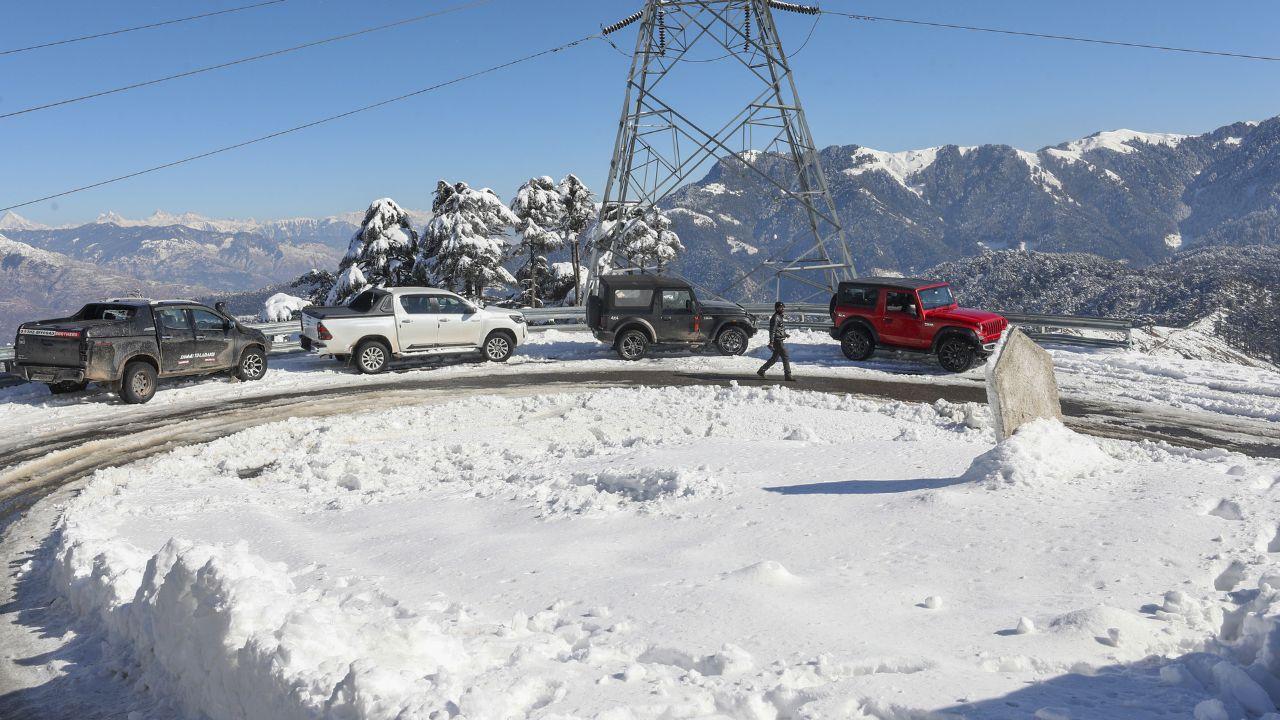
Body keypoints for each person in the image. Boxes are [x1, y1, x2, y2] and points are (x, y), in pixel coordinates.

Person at [757, 301, 794, 381]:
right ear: (777, 308)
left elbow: (779, 329)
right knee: (785, 356)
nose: (783, 308)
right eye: (781, 307)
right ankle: (788, 375)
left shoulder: (779, 317)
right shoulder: (775, 318)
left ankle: (761, 370)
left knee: (774, 359)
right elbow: (772, 331)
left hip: (779, 339)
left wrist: (785, 334)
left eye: (783, 307)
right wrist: (771, 341)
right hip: (777, 341)